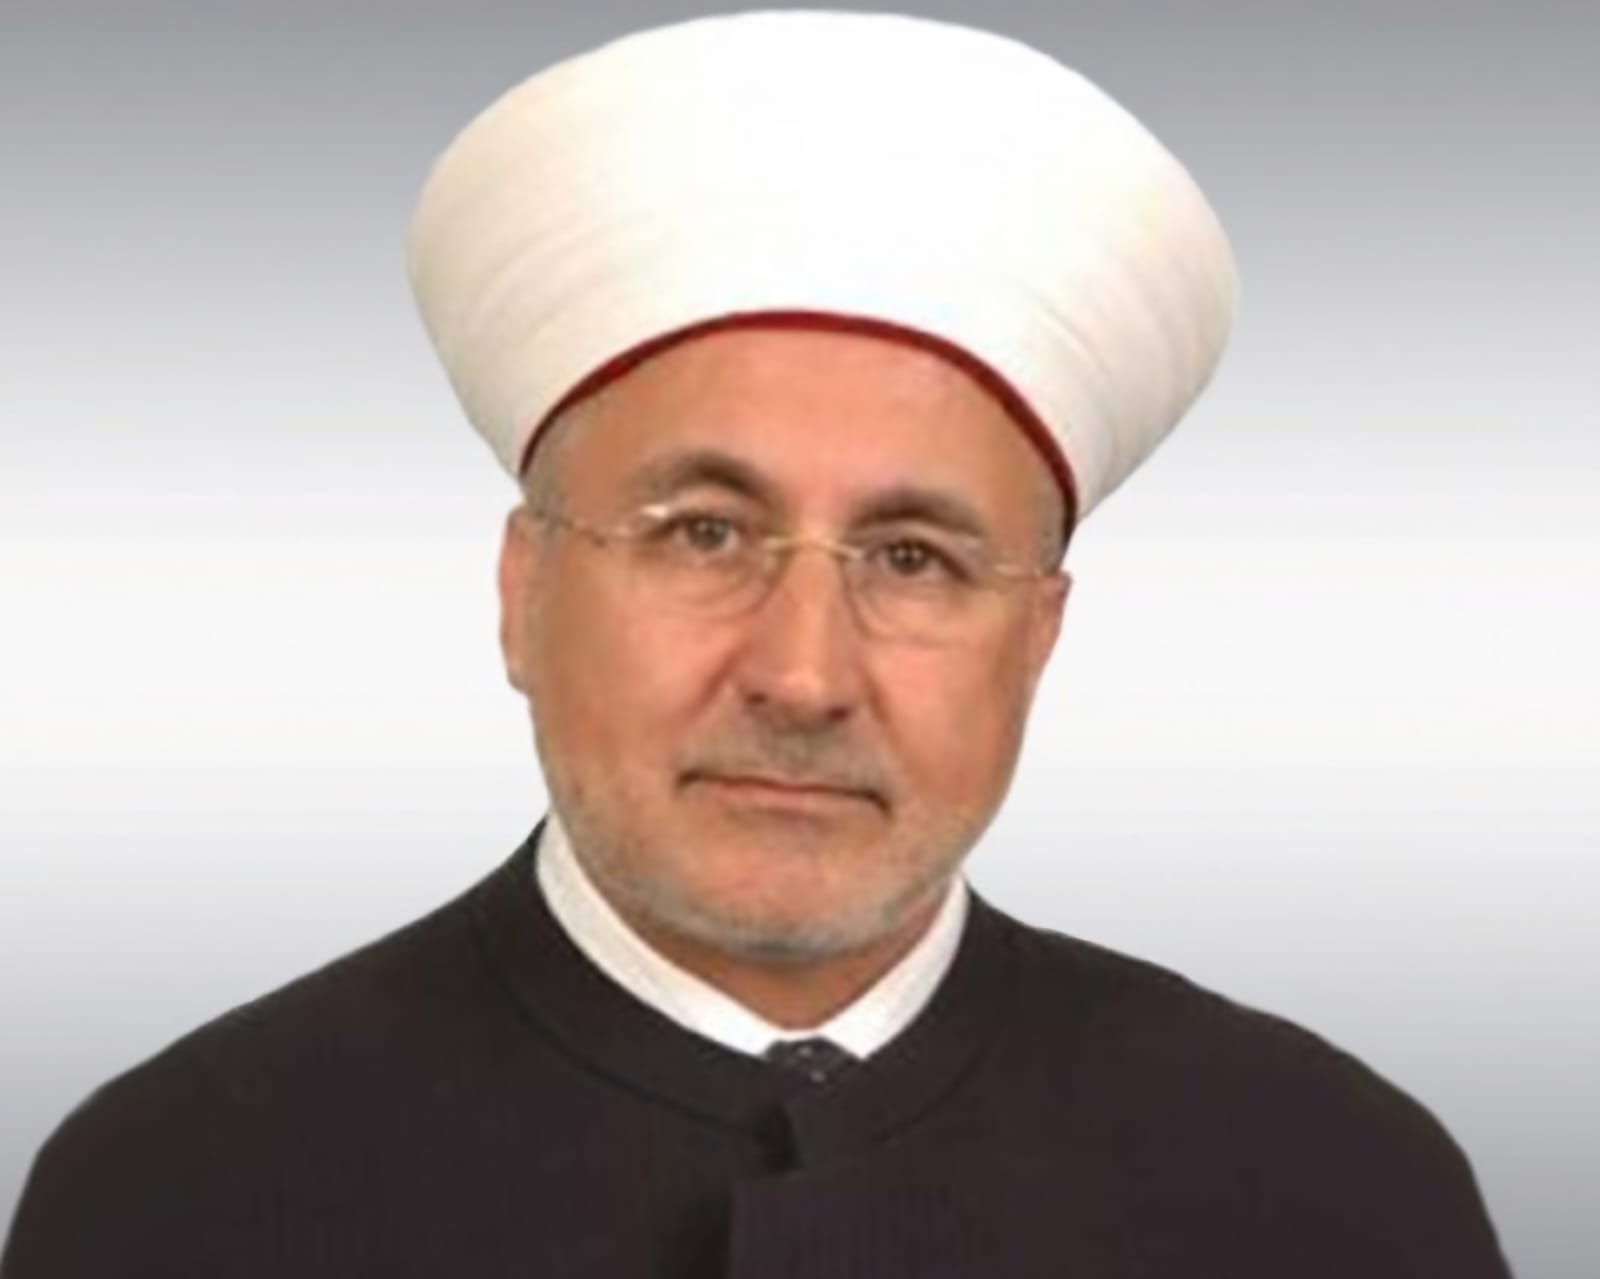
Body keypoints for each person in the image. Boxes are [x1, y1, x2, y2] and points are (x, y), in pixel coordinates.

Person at [2, 11, 1512, 1277]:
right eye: (704, 534)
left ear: (1038, 638)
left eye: (914, 559)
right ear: (523, 591)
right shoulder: (177, 1193)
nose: (803, 676)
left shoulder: (1334, 1188)